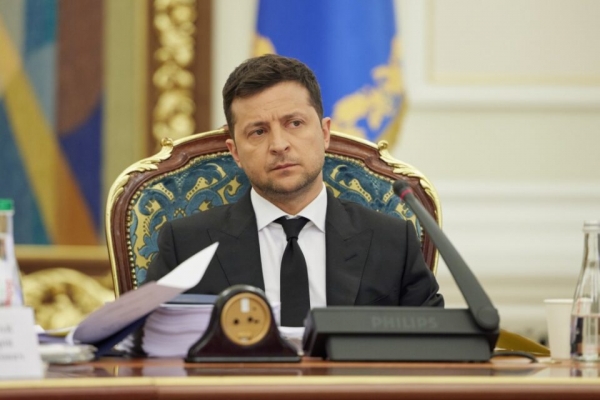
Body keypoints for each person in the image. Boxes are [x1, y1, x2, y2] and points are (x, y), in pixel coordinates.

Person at [146, 54, 443, 326]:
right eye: (258, 131)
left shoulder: (392, 242)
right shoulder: (187, 245)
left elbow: (432, 346)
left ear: (325, 133)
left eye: (295, 123)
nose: (279, 145)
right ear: (235, 152)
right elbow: (150, 344)